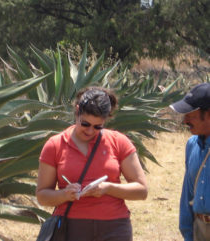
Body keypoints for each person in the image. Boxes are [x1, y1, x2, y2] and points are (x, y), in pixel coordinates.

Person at [36, 86, 148, 241]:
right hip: (71, 227)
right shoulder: (55, 145)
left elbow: (142, 191)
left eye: (98, 127)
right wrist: (64, 194)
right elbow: (42, 196)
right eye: (85, 124)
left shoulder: (119, 142)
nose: (90, 131)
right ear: (77, 112)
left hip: (115, 227)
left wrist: (108, 188)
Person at [170, 83, 210, 241]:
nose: (184, 121)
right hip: (199, 229)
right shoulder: (192, 145)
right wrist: (187, 232)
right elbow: (188, 193)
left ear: (208, 114)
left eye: (190, 114)